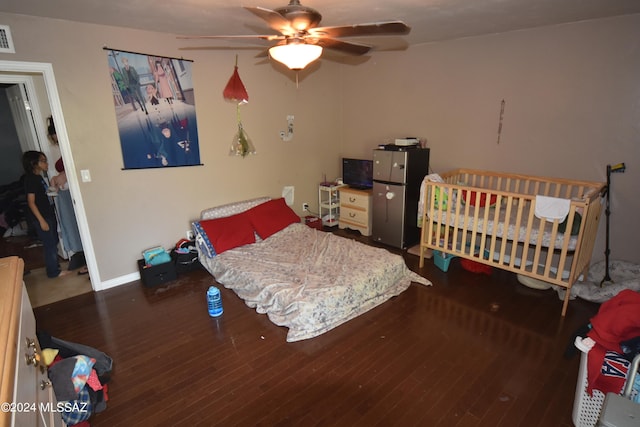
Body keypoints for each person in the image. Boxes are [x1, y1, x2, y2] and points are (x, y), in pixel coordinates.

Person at [22, 151, 71, 278]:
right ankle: (53, 272)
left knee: (53, 241)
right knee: (50, 244)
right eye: (43, 161)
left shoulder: (38, 177)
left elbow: (42, 195)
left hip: (48, 214)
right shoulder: (31, 179)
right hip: (42, 217)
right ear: (34, 163)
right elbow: (31, 202)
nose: (46, 163)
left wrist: (52, 188)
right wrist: (41, 221)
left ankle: (55, 266)